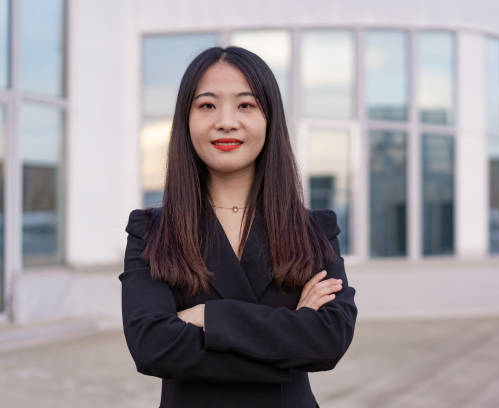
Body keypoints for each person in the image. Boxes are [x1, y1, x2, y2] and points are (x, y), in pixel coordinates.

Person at [119, 46, 358, 408]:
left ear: (269, 119)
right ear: (186, 120)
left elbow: (327, 340)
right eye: (207, 106)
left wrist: (208, 316)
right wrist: (289, 337)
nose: (226, 121)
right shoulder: (151, 231)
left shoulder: (314, 230)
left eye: (245, 105)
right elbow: (152, 346)